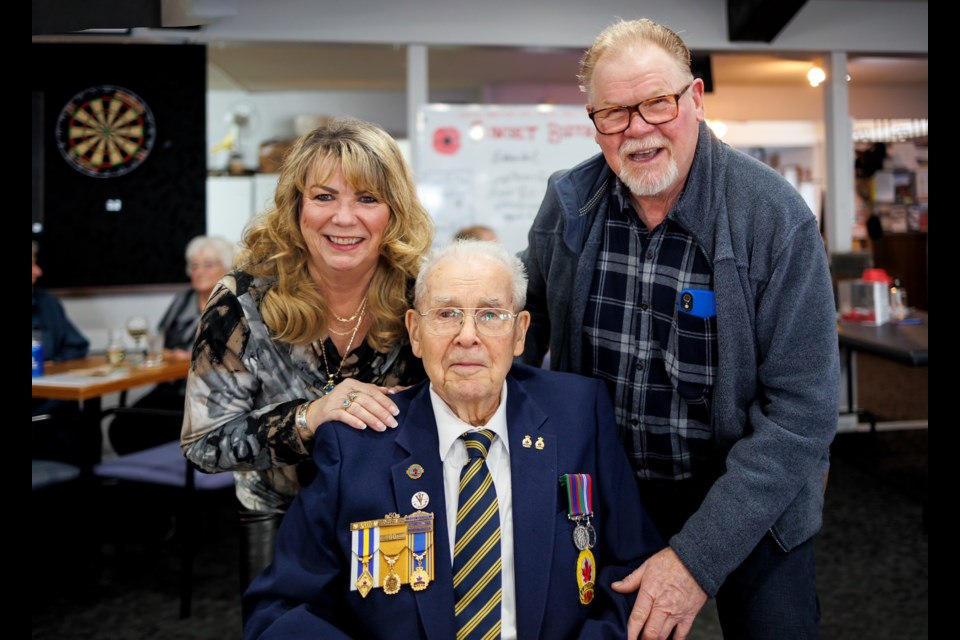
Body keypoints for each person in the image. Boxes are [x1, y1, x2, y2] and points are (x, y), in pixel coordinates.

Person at [519, 18, 840, 640]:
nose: (638, 129)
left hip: (747, 484)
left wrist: (695, 560)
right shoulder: (569, 204)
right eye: (614, 113)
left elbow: (803, 412)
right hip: (613, 487)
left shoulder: (772, 216)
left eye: (657, 103)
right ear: (595, 122)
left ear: (694, 99)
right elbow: (524, 333)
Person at [242, 239, 663, 639]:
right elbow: (280, 607)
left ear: (520, 333)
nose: (467, 335)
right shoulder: (357, 445)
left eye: (490, 314)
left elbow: (632, 569)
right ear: (415, 333)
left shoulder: (578, 415)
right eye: (446, 314)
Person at [181, 118, 435, 590]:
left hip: (393, 512)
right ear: (296, 206)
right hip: (282, 518)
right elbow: (204, 445)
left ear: (394, 212)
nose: (344, 217)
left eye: (367, 198)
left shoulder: (417, 295)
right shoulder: (241, 300)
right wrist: (310, 417)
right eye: (323, 196)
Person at [108, 235, 235, 455]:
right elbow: (158, 343)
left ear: (227, 267)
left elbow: (234, 355)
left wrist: (191, 358)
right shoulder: (183, 299)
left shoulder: (232, 303)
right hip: (171, 386)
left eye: (208, 265)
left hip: (206, 394)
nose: (199, 272)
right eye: (194, 266)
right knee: (121, 422)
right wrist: (168, 355)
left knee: (139, 429)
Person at [32, 240, 91, 465]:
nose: (38, 271)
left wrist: (51, 362)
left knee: (78, 420)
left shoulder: (47, 303)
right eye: (32, 264)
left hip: (56, 401)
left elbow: (77, 346)